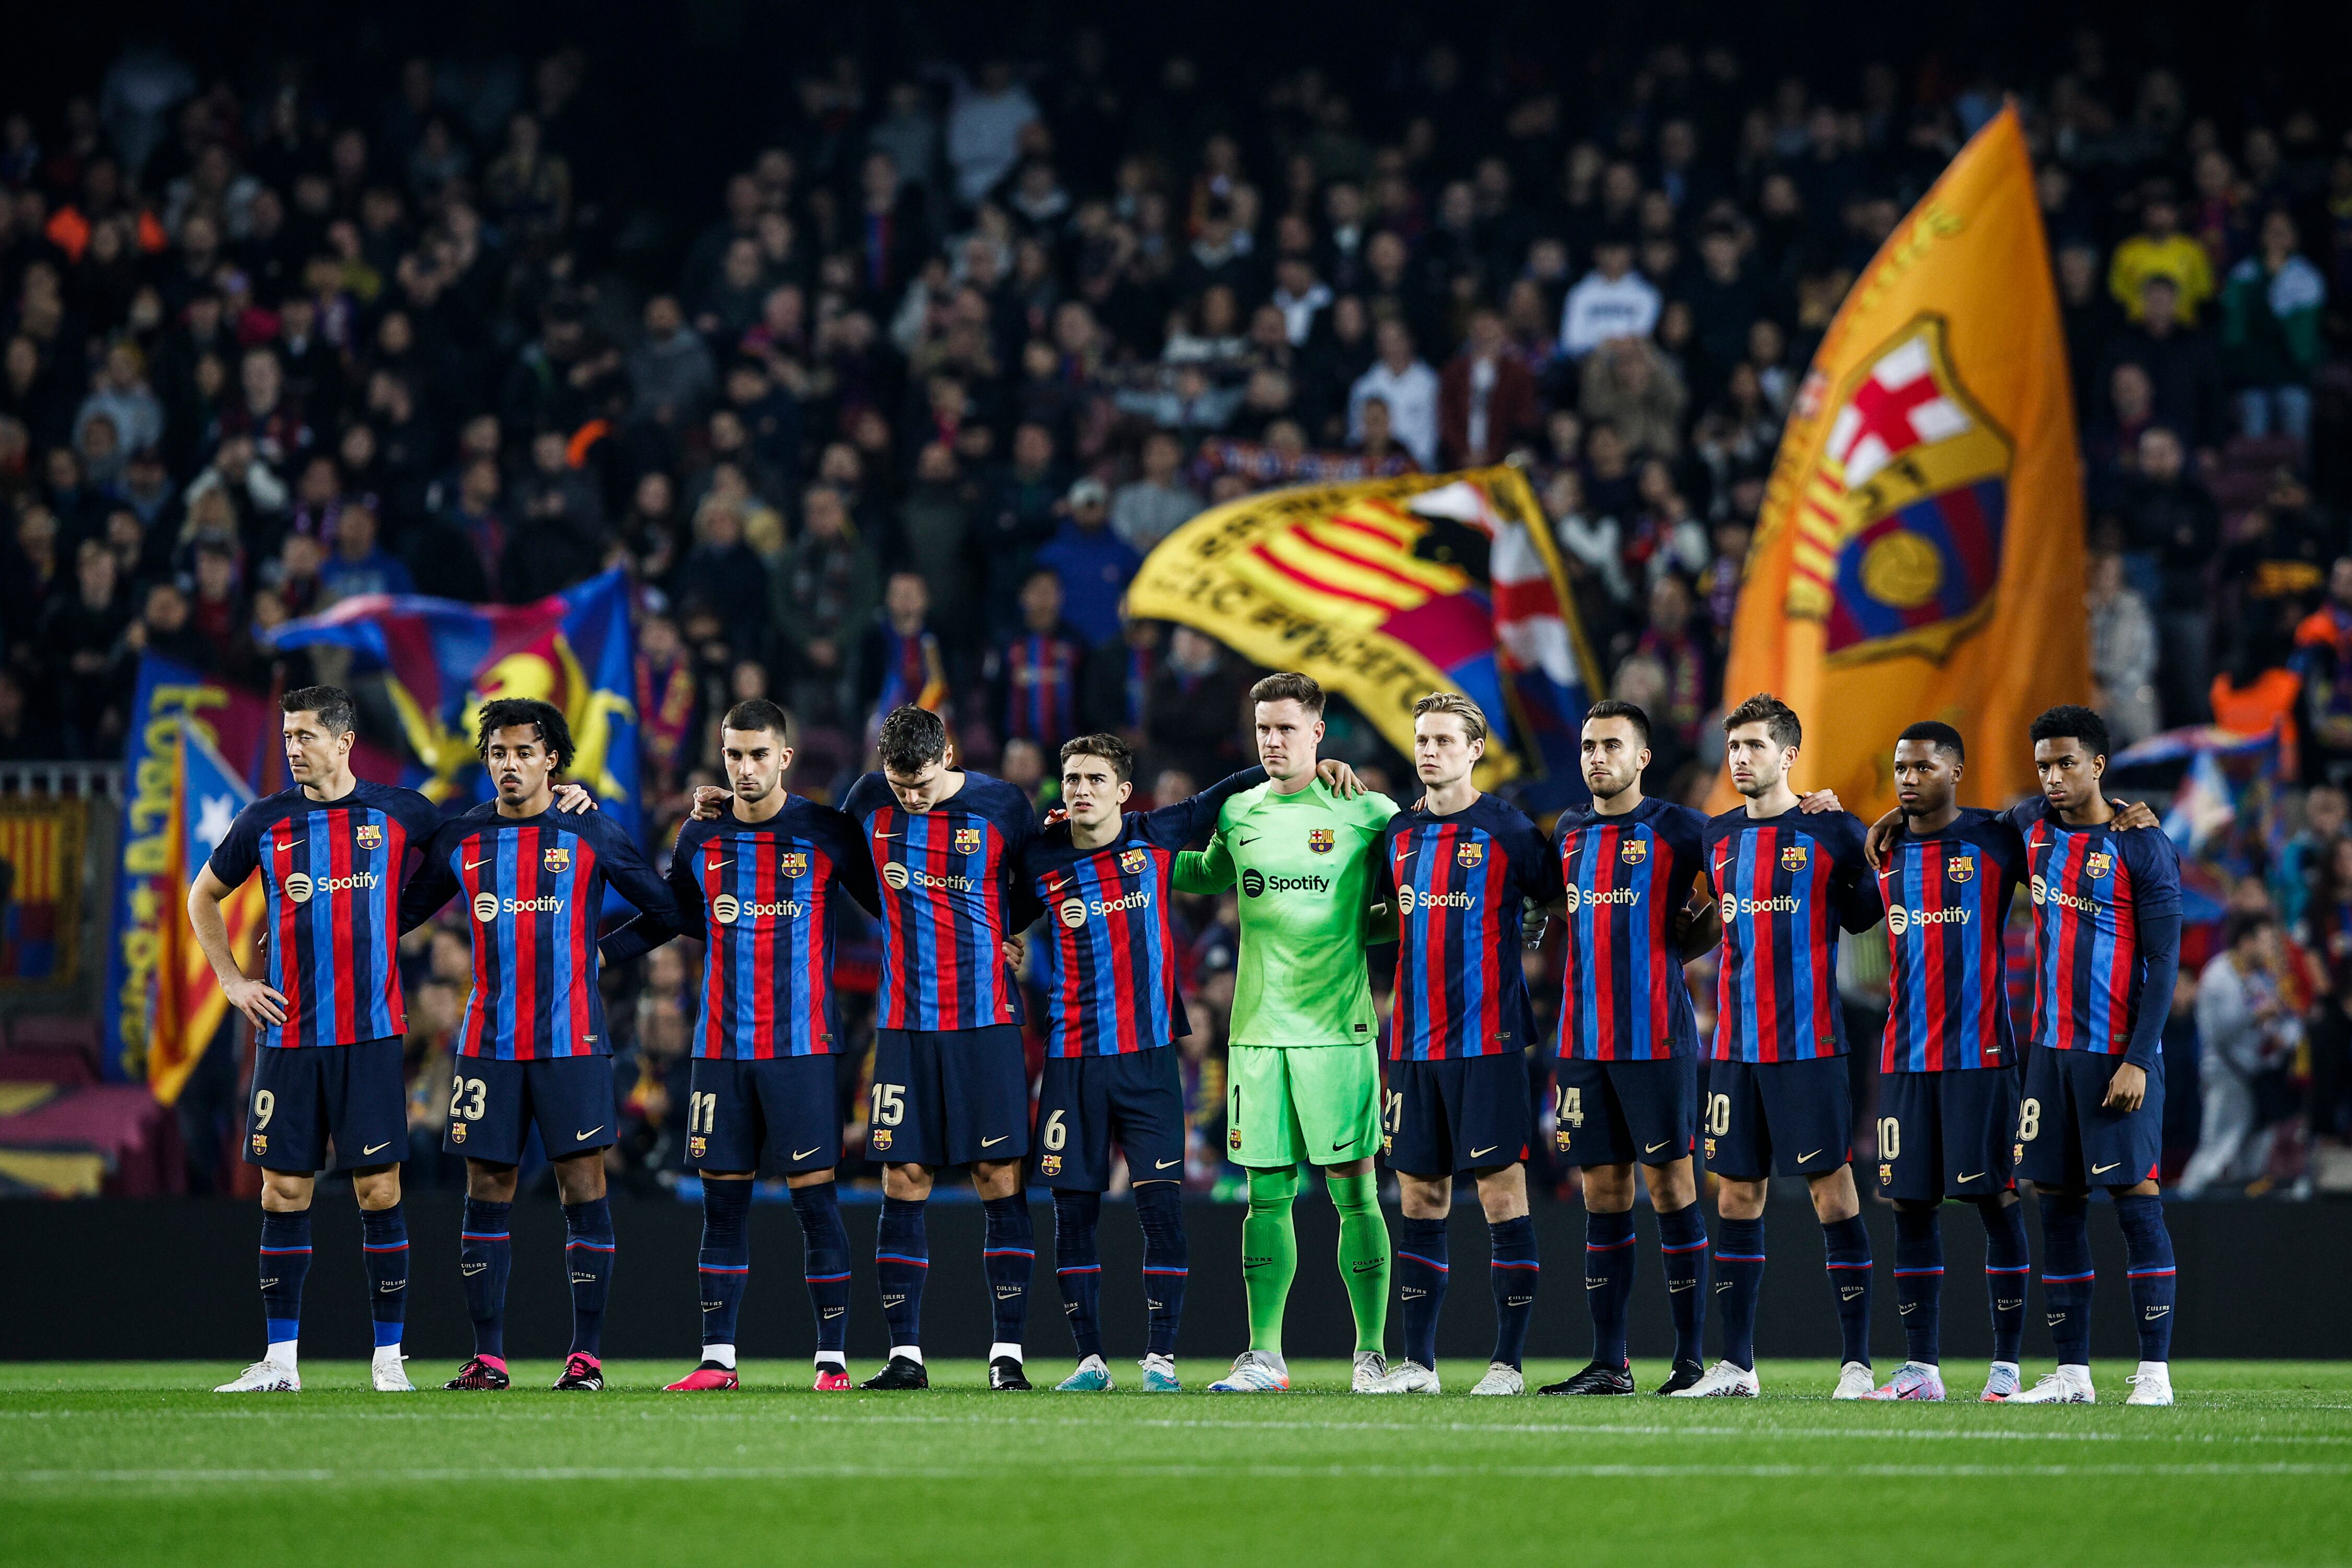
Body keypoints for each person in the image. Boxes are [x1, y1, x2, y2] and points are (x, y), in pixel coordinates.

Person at [1021, 733, 1352, 1392]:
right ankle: (1089, 1359)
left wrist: (1306, 766)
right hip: (1071, 1061)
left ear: (1122, 792)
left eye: (1094, 779)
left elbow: (1225, 791)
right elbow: (988, 912)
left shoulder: (1154, 835)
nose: (1080, 789)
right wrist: (1006, 946)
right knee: (1073, 1210)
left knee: (1161, 1212)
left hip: (1149, 1062)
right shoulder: (1039, 856)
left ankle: (1160, 1359)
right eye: (1071, 779)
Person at [397, 698, 678, 1393]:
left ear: (552, 757)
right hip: (488, 1044)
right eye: (498, 753)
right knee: (485, 1189)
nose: (510, 765)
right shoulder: (462, 837)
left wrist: (601, 954)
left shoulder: (587, 829)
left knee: (582, 1185)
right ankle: (488, 1357)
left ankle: (584, 1359)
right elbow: (400, 911)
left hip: (572, 1043)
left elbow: (669, 909)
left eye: (524, 752)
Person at [600, 700, 880, 1391]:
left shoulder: (828, 832)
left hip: (801, 1049)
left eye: (759, 755)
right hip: (720, 1050)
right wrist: (592, 955)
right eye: (734, 756)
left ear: (785, 757)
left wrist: (984, 933)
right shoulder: (703, 836)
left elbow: (892, 906)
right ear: (721, 758)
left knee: (816, 1203)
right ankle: (718, 1360)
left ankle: (833, 1361)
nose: (746, 768)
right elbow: (669, 916)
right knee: (722, 1206)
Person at [190, 687, 437, 1393]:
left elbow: (463, 854)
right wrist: (234, 982)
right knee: (283, 1191)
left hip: (370, 1037)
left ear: (343, 740)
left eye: (305, 735)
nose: (293, 747)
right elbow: (201, 897)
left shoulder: (399, 812)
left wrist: (395, 917)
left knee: (379, 1189)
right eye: (288, 735)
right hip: (290, 1037)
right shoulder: (265, 821)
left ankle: (388, 1362)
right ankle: (280, 1362)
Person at [1172, 672, 1401, 1393]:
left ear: (1318, 733)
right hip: (1259, 1034)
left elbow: (1408, 899)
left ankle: (1370, 1355)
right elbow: (1204, 874)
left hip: (1338, 1032)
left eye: (1287, 728)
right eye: (1263, 728)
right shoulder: (1238, 812)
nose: (1273, 740)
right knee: (1264, 1197)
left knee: (1355, 1195)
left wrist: (1361, 929)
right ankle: (1264, 1356)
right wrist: (1111, 848)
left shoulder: (1369, 812)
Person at [828, 705, 1044, 1390]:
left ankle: (1006, 1355)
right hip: (904, 1025)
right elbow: (844, 866)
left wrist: (1003, 928)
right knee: (902, 1179)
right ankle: (905, 1356)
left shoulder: (1001, 804)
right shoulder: (867, 799)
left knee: (997, 1180)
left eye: (920, 784)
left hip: (985, 1022)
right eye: (900, 786)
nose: (911, 798)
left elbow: (1041, 880)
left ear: (947, 754)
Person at [1680, 694, 1884, 1400]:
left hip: (1809, 1047)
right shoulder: (1717, 836)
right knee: (1736, 1199)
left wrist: (1862, 842)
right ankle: (1736, 1366)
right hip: (1735, 1052)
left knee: (1834, 1196)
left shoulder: (1832, 832)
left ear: (1789, 754)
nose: (1742, 759)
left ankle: (1857, 1366)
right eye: (1735, 747)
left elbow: (1865, 917)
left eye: (1757, 746)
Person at [1364, 694, 1560, 1397]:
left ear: (1476, 749)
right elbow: (1386, 912)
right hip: (1414, 1047)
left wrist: (1523, 947)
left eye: (1445, 740)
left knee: (1503, 1196)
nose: (1429, 751)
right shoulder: (1398, 833)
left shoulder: (1509, 831)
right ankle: (1418, 1365)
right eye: (1422, 739)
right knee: (1419, 1198)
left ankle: (1506, 1366)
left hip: (1491, 1043)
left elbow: (1554, 901)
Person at [1999, 706, 2183, 1406]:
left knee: (2137, 1199)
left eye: (2067, 762)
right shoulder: (2030, 826)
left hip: (2117, 1054)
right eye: (2044, 764)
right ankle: (2072, 1374)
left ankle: (2156, 1375)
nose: (2052, 776)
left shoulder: (2142, 845)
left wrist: (2139, 1058)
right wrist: (1885, 820)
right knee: (2058, 1205)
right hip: (2049, 1055)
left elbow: (2164, 962)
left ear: (2099, 765)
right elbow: (1955, 829)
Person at [1854, 723, 2035, 1402]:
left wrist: (2128, 816)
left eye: (1924, 767)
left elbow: (2064, 822)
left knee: (1995, 1202)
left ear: (1956, 772)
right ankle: (1921, 1371)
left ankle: (2007, 1371)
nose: (1907, 778)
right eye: (1901, 767)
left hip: (1981, 1057)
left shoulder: (1995, 839)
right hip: (1905, 1058)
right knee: (1910, 1208)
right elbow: (1848, 915)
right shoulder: (1889, 852)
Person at [1542, 699, 1715, 1397]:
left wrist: (1684, 945)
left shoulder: (1681, 829)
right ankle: (1610, 1364)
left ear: (1642, 757)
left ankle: (1690, 1361)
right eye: (1588, 745)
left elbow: (1731, 892)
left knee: (1672, 1188)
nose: (1596, 757)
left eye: (1611, 745)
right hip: (1584, 1043)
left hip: (1657, 1038)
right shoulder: (1569, 831)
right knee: (1603, 1194)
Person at [2182, 909, 2297, 1196]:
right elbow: (2216, 1031)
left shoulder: (2261, 978)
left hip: (2258, 1078)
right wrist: (2256, 1016)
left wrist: (2283, 1037)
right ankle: (2183, 1207)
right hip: (2226, 1075)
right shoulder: (2218, 975)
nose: (2271, 948)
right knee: (2218, 1148)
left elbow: (2283, 1022)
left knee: (2254, 1157)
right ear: (2246, 942)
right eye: (2266, 941)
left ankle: (2244, 1215)